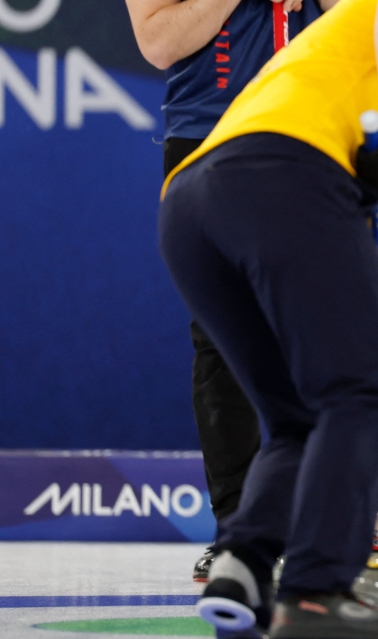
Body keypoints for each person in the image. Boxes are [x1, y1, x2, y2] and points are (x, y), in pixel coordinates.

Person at [157, 0, 378, 639]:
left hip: (190, 199)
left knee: (299, 418)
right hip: (278, 179)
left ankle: (243, 562)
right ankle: (316, 590)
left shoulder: (352, 44)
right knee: (371, 394)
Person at [125, 0, 332, 582]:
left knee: (325, 327)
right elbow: (160, 42)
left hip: (312, 127)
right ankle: (240, 531)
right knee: (223, 336)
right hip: (208, 133)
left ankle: (334, 519)